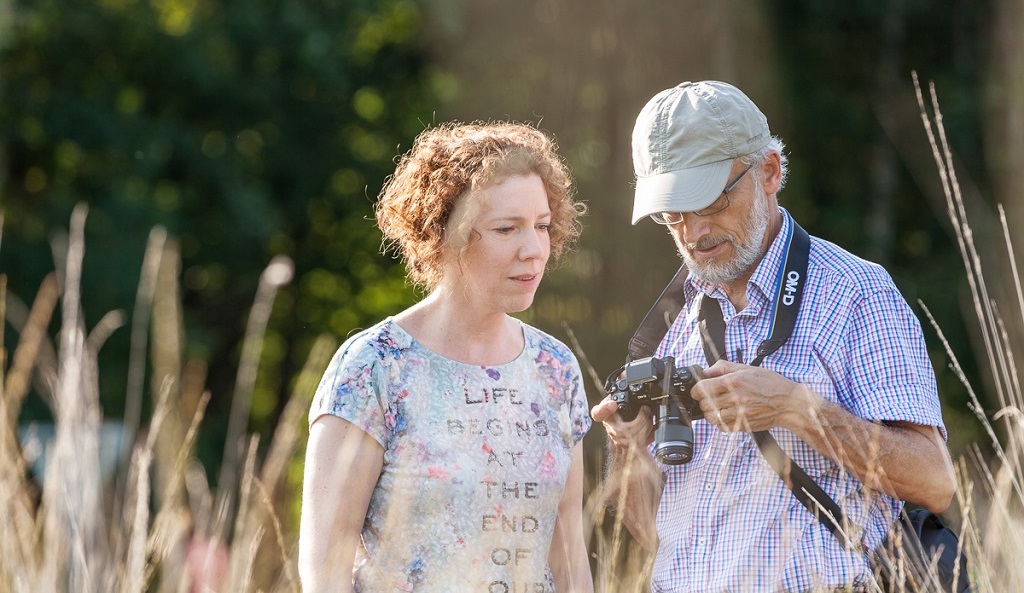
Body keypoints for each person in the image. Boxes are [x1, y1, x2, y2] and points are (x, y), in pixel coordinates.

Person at [590, 81, 957, 591]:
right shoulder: (666, 326)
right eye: (672, 214)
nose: (695, 232)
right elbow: (656, 533)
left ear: (769, 171)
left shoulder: (856, 293)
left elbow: (934, 481)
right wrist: (627, 449)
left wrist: (797, 410)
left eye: (713, 201)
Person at [298, 121, 594, 593]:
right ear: (444, 234)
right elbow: (325, 571)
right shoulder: (374, 367)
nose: (534, 250)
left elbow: (569, 555)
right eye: (506, 229)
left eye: (541, 226)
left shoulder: (555, 368)